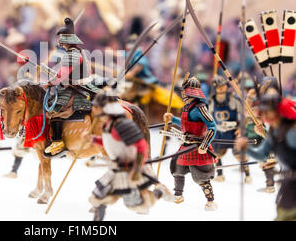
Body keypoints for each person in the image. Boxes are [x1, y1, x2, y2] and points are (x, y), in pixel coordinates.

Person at [88, 90, 172, 221]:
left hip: (132, 168)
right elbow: (110, 141)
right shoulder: (108, 124)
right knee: (98, 196)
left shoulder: (122, 125)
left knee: (136, 204)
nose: (94, 109)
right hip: (117, 168)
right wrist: (93, 140)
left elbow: (142, 146)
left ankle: (160, 192)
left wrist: (137, 169)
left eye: (97, 106)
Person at [235, 78, 296, 221]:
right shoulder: (274, 132)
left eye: (268, 112)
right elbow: (262, 155)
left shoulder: (291, 132)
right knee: (283, 211)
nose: (265, 116)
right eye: (264, 112)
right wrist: (246, 148)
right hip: (289, 180)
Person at [43, 17, 100, 157]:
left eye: (60, 38)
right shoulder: (80, 52)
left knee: (54, 109)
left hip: (77, 88)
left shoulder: (71, 54)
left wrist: (51, 82)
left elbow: (63, 74)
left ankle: (57, 141)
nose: (58, 41)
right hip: (81, 84)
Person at [163, 73, 218, 211]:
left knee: (201, 177)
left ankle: (210, 201)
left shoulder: (200, 108)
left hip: (199, 146)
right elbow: (185, 124)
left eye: (184, 91)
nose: (182, 94)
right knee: (177, 169)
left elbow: (212, 127)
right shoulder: (187, 107)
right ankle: (178, 196)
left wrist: (205, 145)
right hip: (186, 144)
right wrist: (172, 119)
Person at [208, 74, 251, 183]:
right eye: (218, 86)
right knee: (216, 154)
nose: (221, 88)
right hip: (219, 132)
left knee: (240, 154)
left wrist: (241, 128)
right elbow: (209, 117)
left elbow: (244, 115)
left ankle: (247, 175)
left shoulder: (234, 99)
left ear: (226, 86)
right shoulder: (211, 101)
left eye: (223, 85)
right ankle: (220, 175)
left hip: (233, 132)